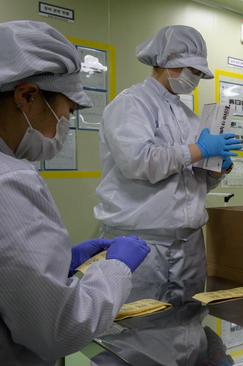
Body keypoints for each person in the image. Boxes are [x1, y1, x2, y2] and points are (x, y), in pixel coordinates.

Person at [0, 21, 150, 365]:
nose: (62, 128)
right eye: (65, 114)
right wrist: (114, 269)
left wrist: (55, 266)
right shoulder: (9, 181)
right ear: (26, 97)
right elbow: (63, 327)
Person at [94, 25, 242, 304]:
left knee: (188, 325)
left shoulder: (188, 116)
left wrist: (218, 167)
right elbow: (138, 163)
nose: (195, 78)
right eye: (191, 70)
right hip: (142, 243)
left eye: (199, 73)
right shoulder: (131, 104)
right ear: (165, 62)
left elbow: (194, 183)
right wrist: (198, 149)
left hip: (189, 244)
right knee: (137, 329)